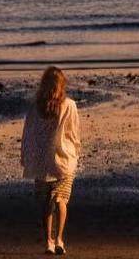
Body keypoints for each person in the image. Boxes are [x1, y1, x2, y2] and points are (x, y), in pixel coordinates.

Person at [20, 66, 82, 255]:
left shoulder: (35, 106)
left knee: (46, 203)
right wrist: (76, 152)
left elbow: (28, 133)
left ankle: (48, 241)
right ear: (62, 85)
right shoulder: (69, 105)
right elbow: (73, 133)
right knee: (61, 200)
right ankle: (59, 240)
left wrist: (26, 156)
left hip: (41, 161)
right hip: (63, 160)